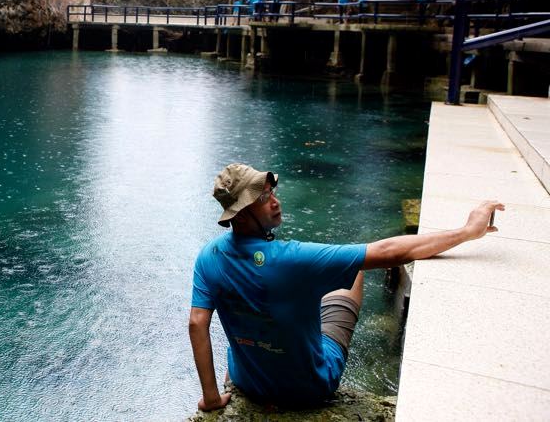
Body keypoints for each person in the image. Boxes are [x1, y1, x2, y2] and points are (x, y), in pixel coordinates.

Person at [189, 163, 504, 411]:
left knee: (303, 282)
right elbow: (392, 251)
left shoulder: (209, 256)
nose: (275, 201)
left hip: (247, 384)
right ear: (240, 215)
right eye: (263, 198)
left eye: (272, 191)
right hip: (310, 389)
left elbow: (197, 324)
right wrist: (467, 231)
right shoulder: (292, 258)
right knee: (352, 269)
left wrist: (212, 398)